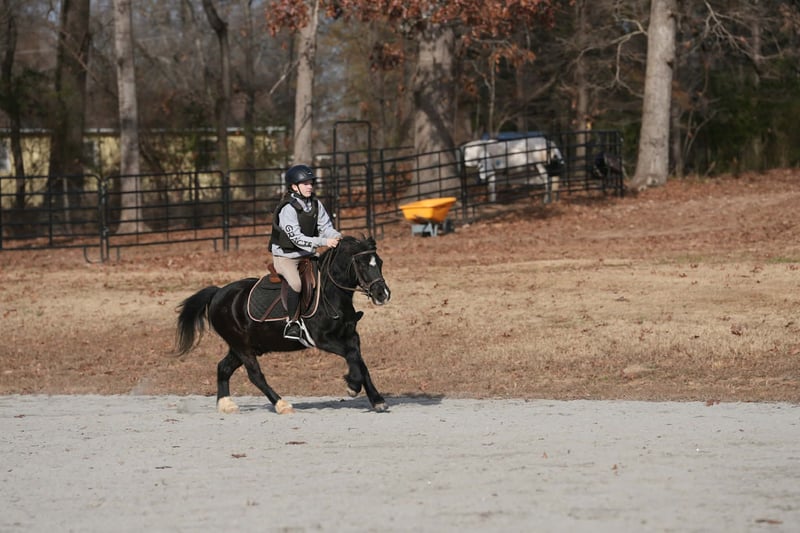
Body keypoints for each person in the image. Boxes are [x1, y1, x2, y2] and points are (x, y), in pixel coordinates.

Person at [269, 164, 341, 344]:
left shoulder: (315, 204)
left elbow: (325, 227)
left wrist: (336, 236)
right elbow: (296, 239)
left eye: (311, 183)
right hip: (286, 256)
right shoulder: (288, 209)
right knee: (296, 284)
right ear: (294, 187)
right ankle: (292, 323)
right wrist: (324, 242)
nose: (310, 187)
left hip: (307, 254)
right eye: (305, 183)